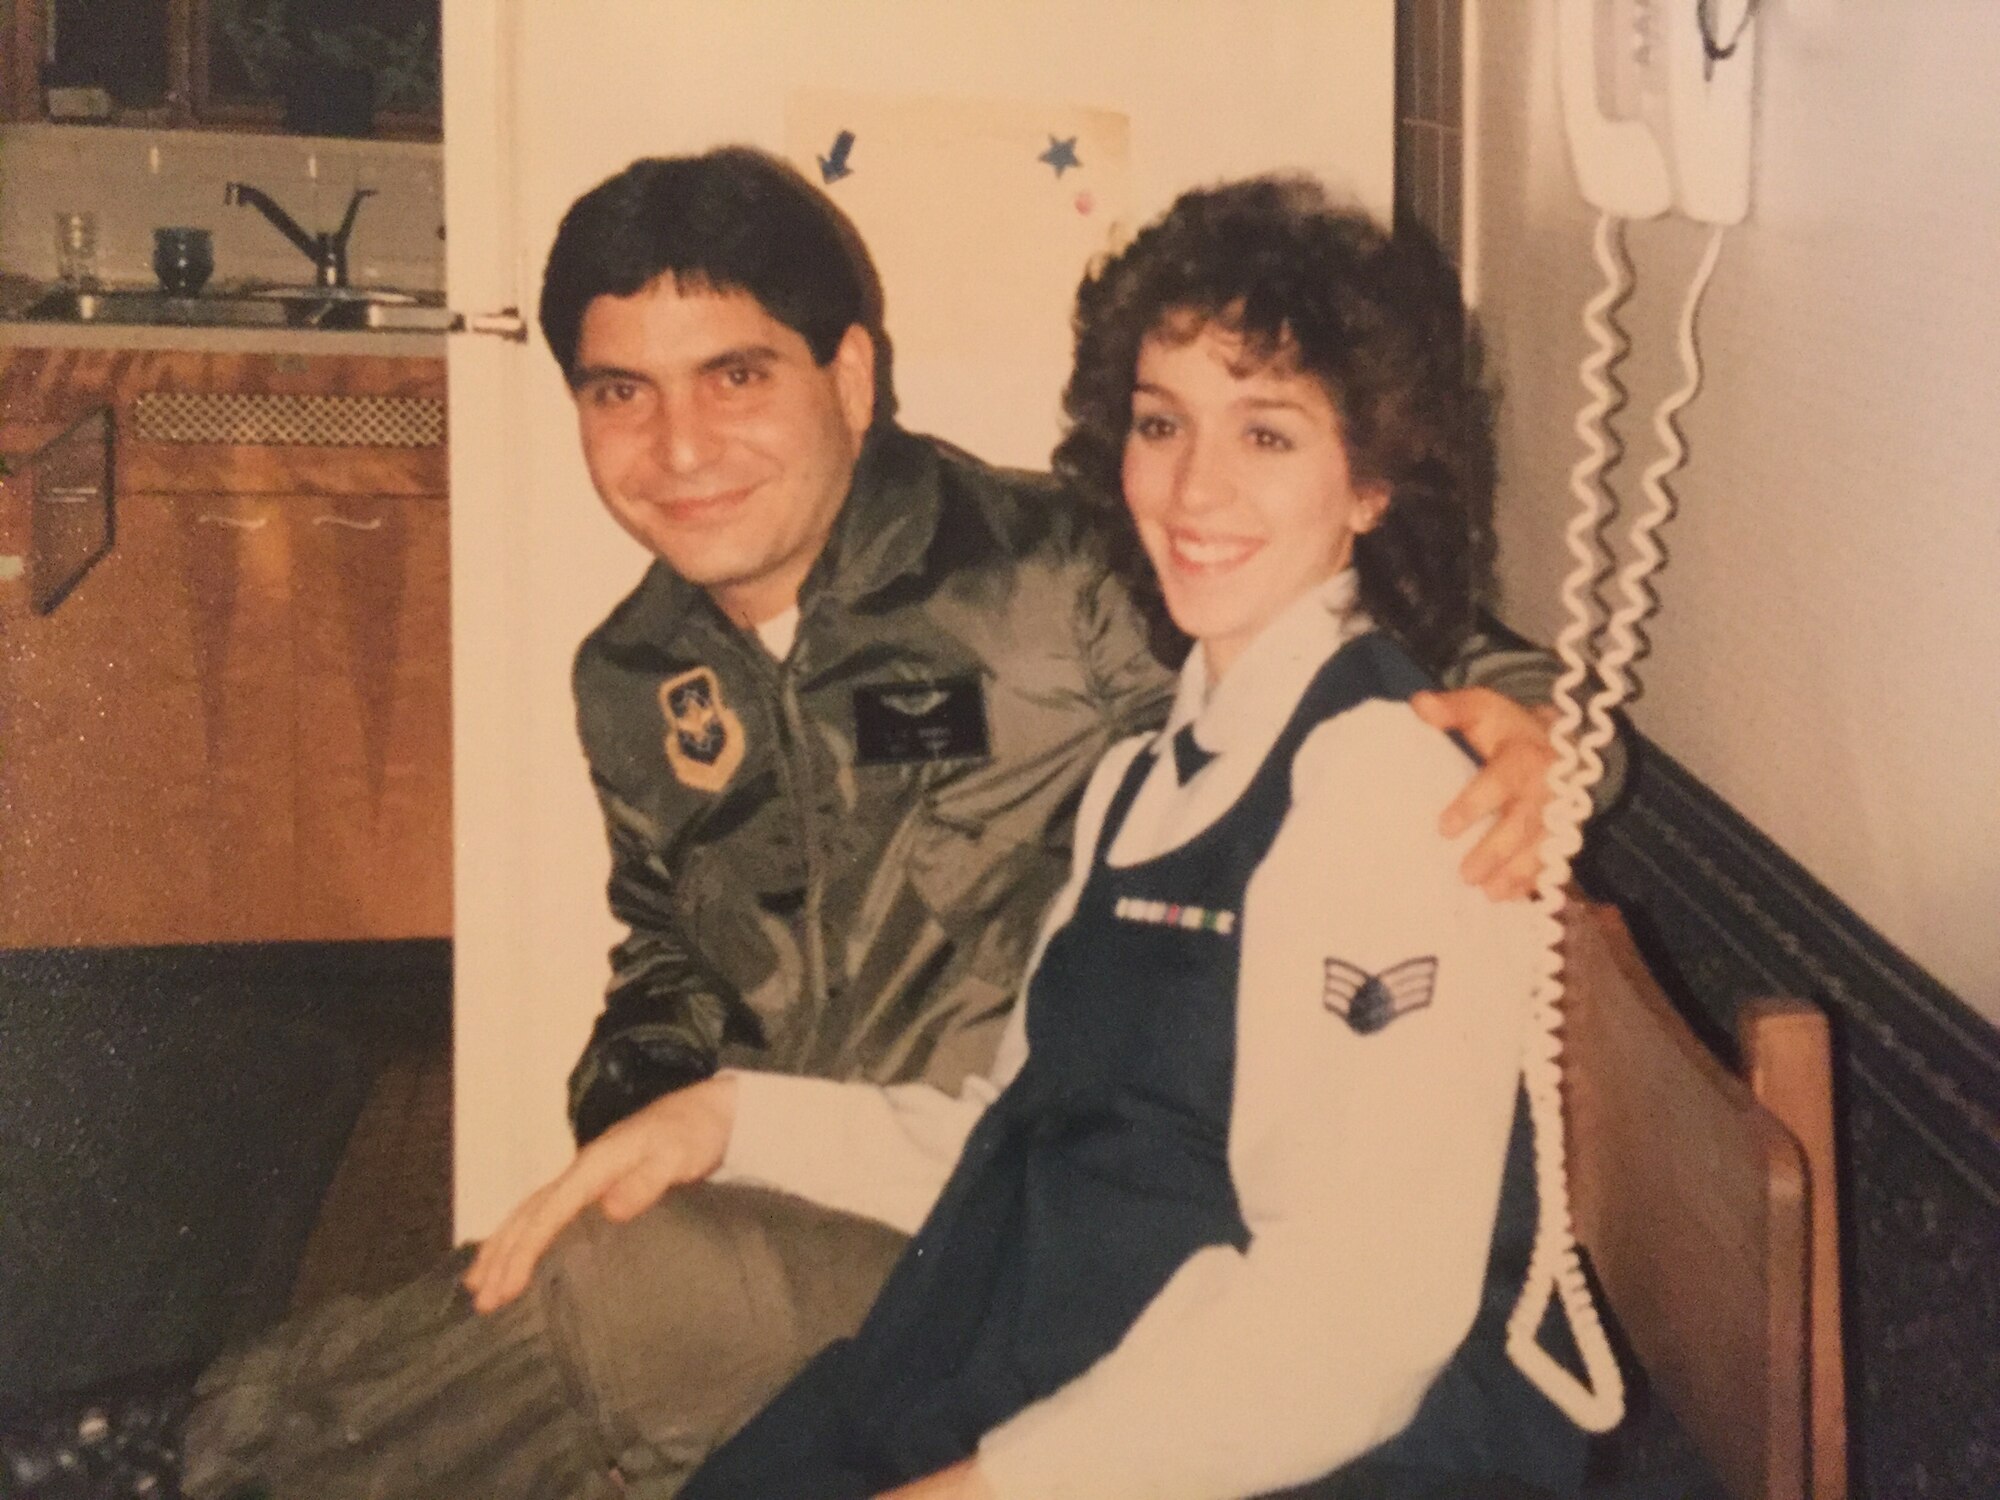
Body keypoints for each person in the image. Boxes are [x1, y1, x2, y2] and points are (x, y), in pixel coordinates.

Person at [100, 150, 1582, 1500]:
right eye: (622, 390)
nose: (680, 444)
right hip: (946, 1202)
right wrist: (674, 1108)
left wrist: (1546, 739)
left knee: (624, 1311)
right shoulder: (635, 673)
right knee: (606, 1278)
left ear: (851, 378)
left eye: (735, 375)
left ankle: (174, 1458)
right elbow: (669, 950)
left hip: (1041, 1267)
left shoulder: (1054, 582)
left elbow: (1402, 662)